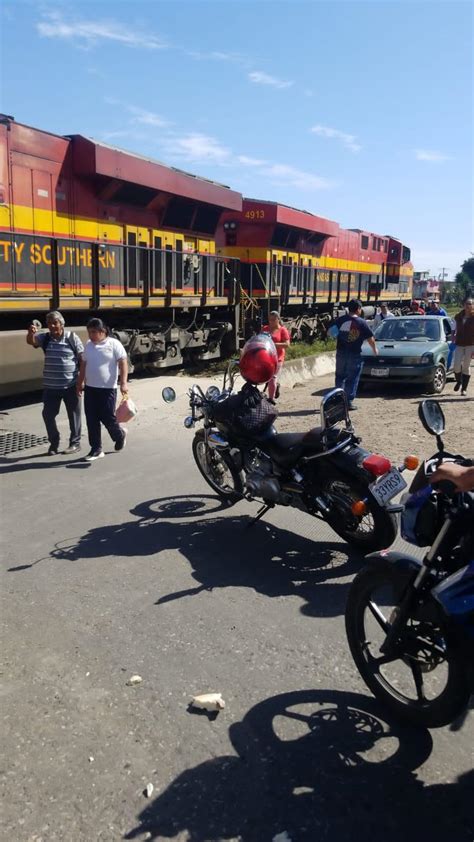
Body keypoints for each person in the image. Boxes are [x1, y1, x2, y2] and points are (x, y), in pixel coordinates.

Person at [26, 311, 83, 455]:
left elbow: (82, 359)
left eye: (55, 323)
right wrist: (30, 333)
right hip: (51, 387)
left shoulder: (71, 337)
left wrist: (82, 381)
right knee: (48, 414)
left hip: (71, 385)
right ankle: (54, 442)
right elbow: (31, 341)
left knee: (74, 415)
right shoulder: (44, 337)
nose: (52, 326)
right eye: (49, 323)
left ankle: (75, 443)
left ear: (61, 324)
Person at [77, 318, 128, 461]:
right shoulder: (88, 345)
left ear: (102, 331)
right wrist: (79, 382)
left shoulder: (114, 344)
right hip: (90, 388)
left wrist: (123, 383)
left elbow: (123, 363)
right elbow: (83, 365)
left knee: (108, 418)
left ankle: (119, 435)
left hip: (107, 389)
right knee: (91, 419)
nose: (91, 335)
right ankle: (96, 449)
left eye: (93, 332)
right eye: (89, 332)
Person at [333, 299, 378, 410]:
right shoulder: (362, 322)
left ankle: (337, 400)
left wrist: (342, 337)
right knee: (352, 378)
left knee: (340, 377)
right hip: (354, 354)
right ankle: (348, 402)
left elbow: (331, 333)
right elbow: (370, 338)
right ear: (358, 309)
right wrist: (374, 349)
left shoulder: (340, 320)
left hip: (341, 353)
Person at [262, 310, 290, 403]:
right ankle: (275, 386)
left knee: (272, 376)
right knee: (266, 376)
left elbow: (287, 344)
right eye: (270, 320)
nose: (271, 322)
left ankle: (271, 399)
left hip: (278, 357)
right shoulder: (265, 328)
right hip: (266, 356)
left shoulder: (282, 330)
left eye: (274, 319)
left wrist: (273, 344)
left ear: (278, 319)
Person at [452, 296, 474, 395]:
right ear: (463, 305)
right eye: (467, 304)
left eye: (470, 304)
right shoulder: (458, 316)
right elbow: (453, 328)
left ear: (473, 305)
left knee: (466, 365)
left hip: (471, 344)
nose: (468, 306)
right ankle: (459, 381)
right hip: (459, 343)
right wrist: (453, 337)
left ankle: (463, 389)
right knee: (456, 365)